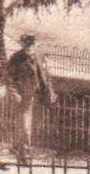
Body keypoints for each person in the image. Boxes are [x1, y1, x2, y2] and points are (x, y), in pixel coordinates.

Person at [6, 34, 57, 164]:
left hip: (40, 96)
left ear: (34, 45)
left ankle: (18, 148)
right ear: (22, 45)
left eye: (31, 45)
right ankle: (25, 156)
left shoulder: (39, 56)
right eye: (26, 45)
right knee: (25, 127)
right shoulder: (16, 59)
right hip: (24, 97)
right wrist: (14, 93)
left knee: (35, 126)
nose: (29, 48)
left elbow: (46, 76)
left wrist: (50, 91)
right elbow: (9, 78)